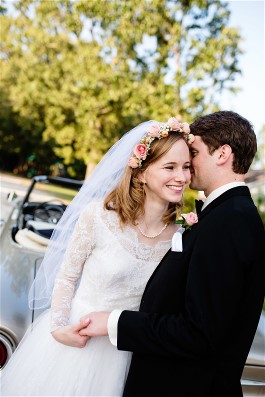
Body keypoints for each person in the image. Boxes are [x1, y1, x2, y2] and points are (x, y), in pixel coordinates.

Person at [1, 117, 193, 396]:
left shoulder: (181, 236)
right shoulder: (99, 216)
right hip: (77, 344)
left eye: (186, 167)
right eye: (170, 167)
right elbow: (67, 276)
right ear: (140, 172)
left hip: (131, 354)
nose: (182, 177)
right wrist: (58, 328)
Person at [79, 111, 265, 397]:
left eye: (194, 153)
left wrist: (116, 321)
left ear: (223, 154)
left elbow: (199, 333)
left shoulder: (230, 222)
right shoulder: (225, 215)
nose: (188, 166)